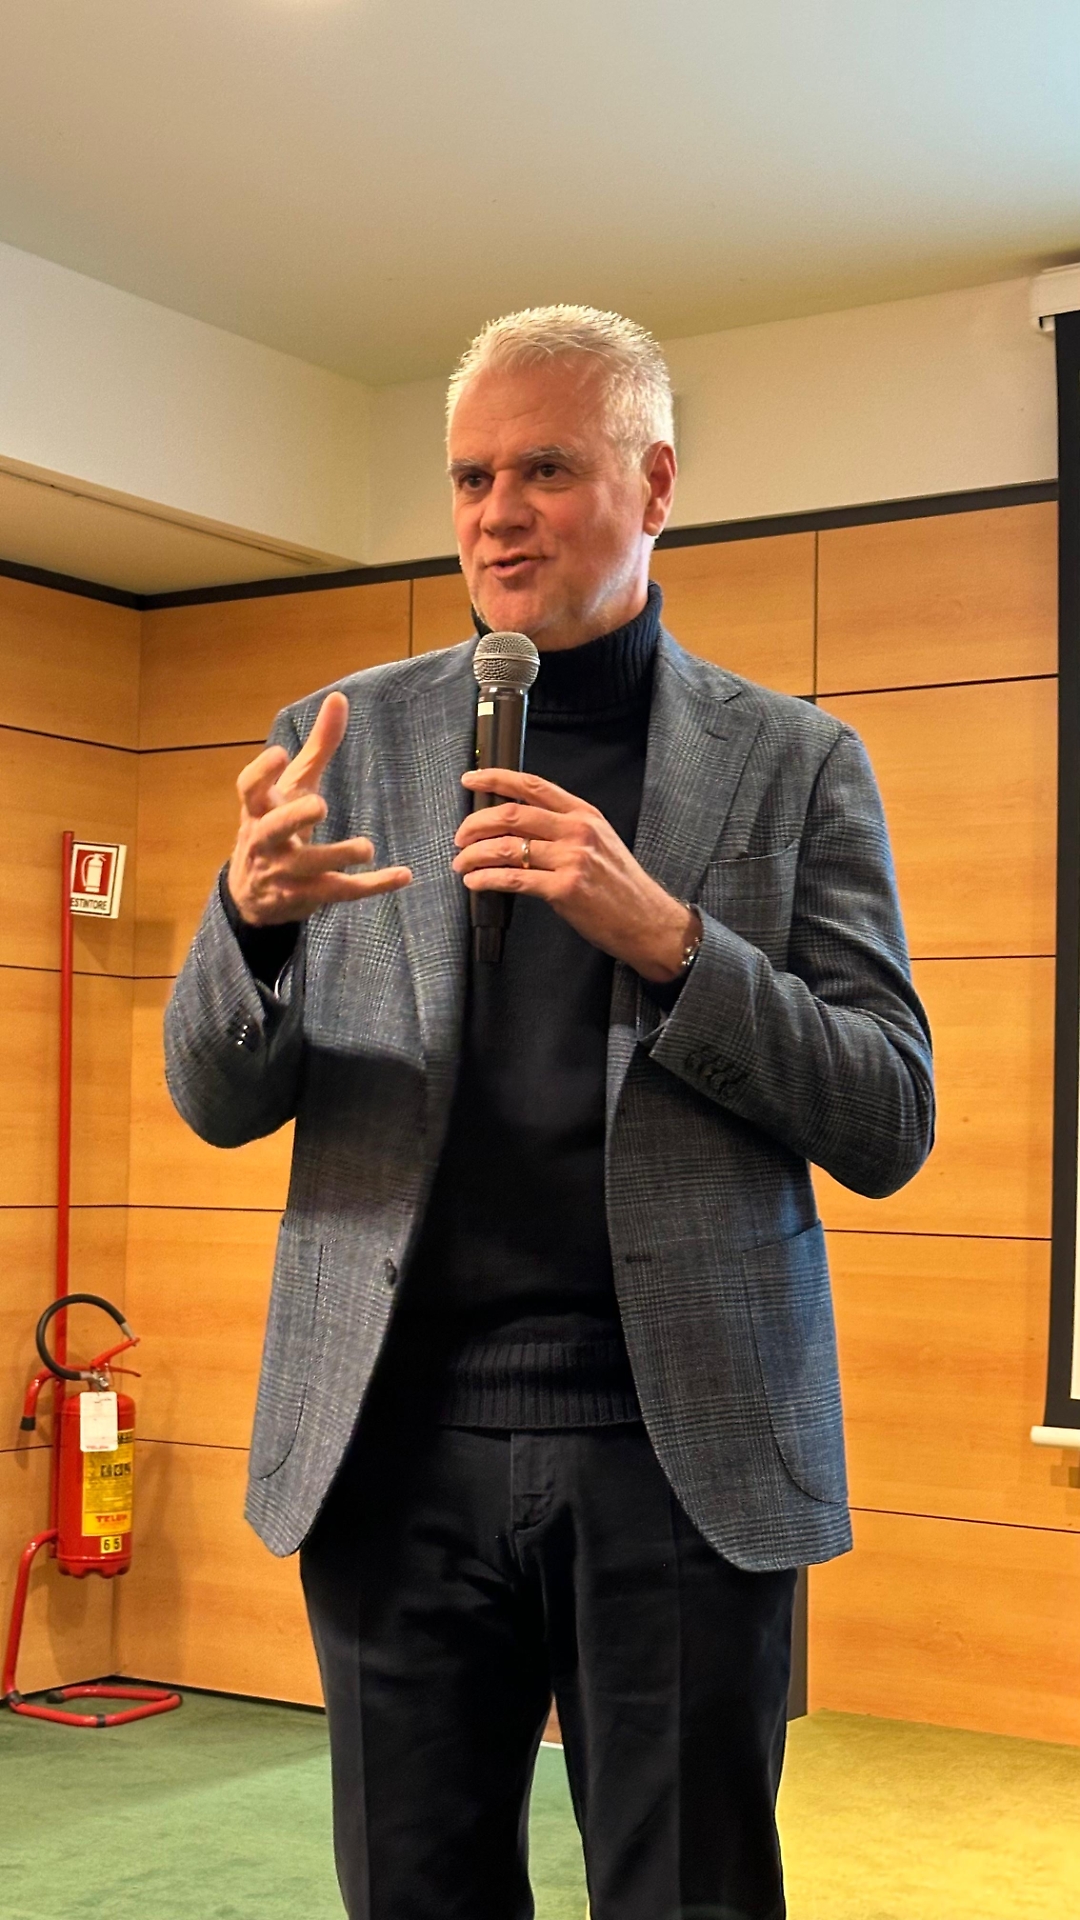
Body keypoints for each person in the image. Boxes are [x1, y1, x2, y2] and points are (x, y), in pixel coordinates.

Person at [165, 305, 934, 1920]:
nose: (498, 515)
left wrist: (671, 941)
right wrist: (247, 927)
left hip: (679, 1452)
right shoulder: (340, 740)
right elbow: (215, 1097)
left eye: (546, 470)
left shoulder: (794, 764)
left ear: (656, 486)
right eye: (471, 478)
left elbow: (888, 1113)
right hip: (390, 1451)